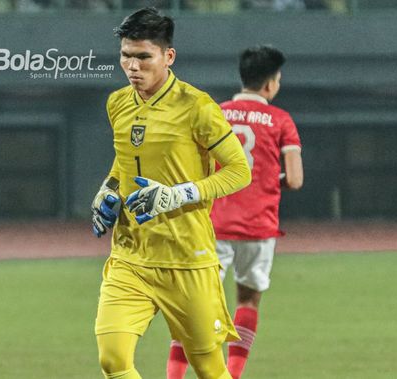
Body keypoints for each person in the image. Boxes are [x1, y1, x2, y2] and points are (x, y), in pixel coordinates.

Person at [91, 8, 252, 379]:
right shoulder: (117, 103)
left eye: (143, 57)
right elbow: (124, 161)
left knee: (209, 368)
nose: (133, 66)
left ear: (168, 56)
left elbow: (240, 171)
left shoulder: (196, 107)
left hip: (186, 259)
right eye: (126, 56)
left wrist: (178, 194)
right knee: (112, 359)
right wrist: (107, 190)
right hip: (130, 256)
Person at [166, 45, 303, 379]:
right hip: (258, 227)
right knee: (247, 301)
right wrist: (270, 182)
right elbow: (295, 179)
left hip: (211, 225)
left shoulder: (215, 113)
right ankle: (233, 374)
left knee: (194, 306)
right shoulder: (281, 120)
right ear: (270, 84)